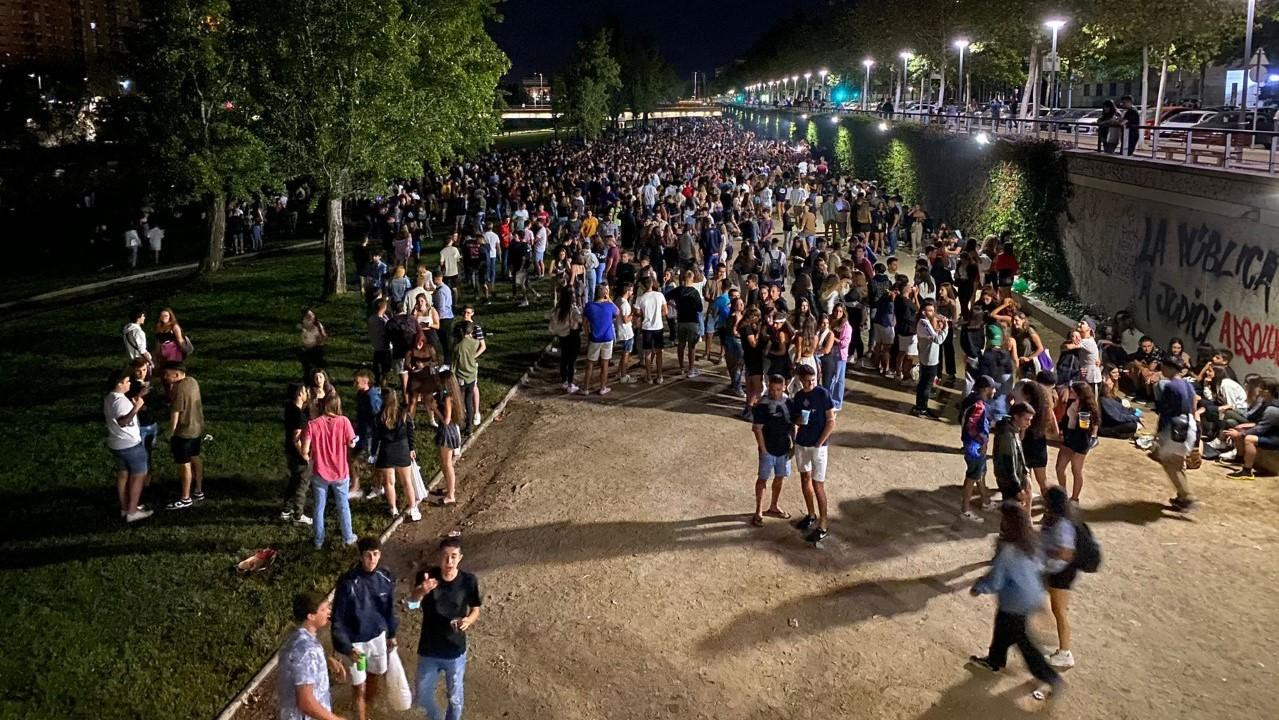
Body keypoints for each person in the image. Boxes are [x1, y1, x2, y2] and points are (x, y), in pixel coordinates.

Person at [968, 502, 1064, 702]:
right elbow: (1041, 566)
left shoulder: (1008, 551)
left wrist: (979, 587)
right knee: (1002, 627)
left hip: (1015, 602)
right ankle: (994, 660)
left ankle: (1051, 678)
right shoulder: (1033, 541)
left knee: (1025, 644)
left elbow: (996, 581)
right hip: (1032, 597)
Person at [408, 537, 482, 720]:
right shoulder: (427, 577)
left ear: (460, 558)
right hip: (429, 650)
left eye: (453, 557)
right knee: (422, 697)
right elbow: (411, 604)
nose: (449, 562)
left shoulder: (468, 581)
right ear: (439, 557)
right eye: (445, 556)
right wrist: (421, 591)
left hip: (454, 651)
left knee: (455, 698)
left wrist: (468, 621)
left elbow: (476, 609)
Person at [333, 537, 399, 720]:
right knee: (359, 683)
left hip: (377, 639)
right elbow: (338, 619)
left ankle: (365, 708)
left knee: (375, 674)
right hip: (356, 643)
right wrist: (346, 647)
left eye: (375, 554)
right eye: (368, 555)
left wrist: (392, 633)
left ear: (380, 554)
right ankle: (361, 716)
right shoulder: (348, 583)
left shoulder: (385, 577)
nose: (372, 559)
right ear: (361, 556)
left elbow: (389, 608)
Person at [301, 391, 358, 549]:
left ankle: (318, 541)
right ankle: (348, 537)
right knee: (343, 505)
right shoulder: (344, 421)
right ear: (337, 405)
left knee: (319, 507)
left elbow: (304, 451)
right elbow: (352, 443)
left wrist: (310, 458)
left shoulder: (312, 425)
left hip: (320, 473)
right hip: (340, 472)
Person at [277, 591, 346, 720]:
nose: (329, 611)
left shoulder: (296, 639)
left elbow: (299, 663)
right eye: (323, 609)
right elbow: (306, 702)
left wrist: (326, 661)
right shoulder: (307, 650)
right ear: (311, 616)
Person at [791, 364, 836, 544]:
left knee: (818, 485)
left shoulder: (823, 394)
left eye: (813, 380)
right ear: (801, 380)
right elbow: (794, 419)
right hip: (802, 444)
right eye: (807, 381)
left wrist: (819, 443)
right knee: (805, 479)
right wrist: (798, 421)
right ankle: (810, 514)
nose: (810, 384)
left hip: (818, 447)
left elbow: (831, 421)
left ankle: (823, 524)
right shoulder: (799, 397)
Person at [105, 369, 153, 523]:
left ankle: (125, 507)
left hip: (117, 444)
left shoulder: (110, 398)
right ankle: (132, 512)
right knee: (139, 475)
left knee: (123, 474)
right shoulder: (119, 401)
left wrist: (137, 399)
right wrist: (136, 408)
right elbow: (123, 421)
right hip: (130, 444)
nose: (130, 383)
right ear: (119, 383)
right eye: (127, 381)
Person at [1041, 486, 1079, 669]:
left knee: (1060, 611)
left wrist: (1046, 550)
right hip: (1054, 570)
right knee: (1057, 609)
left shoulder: (1063, 524)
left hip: (1061, 572)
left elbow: (1066, 553)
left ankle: (1065, 652)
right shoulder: (1055, 518)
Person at [751, 374, 795, 527]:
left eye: (778, 389)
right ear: (768, 387)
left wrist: (794, 446)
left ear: (784, 387)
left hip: (784, 448)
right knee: (763, 478)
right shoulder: (763, 405)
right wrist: (763, 450)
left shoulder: (789, 403)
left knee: (779, 477)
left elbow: (792, 426)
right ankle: (758, 511)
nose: (775, 392)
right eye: (772, 389)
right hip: (768, 449)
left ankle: (773, 506)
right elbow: (757, 429)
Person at [163, 363, 206, 510]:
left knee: (184, 464)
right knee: (195, 457)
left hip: (184, 432)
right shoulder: (192, 381)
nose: (165, 377)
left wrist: (172, 432)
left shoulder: (178, 388)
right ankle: (198, 490)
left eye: (167, 374)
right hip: (196, 428)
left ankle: (185, 498)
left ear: (176, 375)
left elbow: (176, 411)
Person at [376, 389, 420, 521]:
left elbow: (377, 435)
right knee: (407, 482)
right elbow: (410, 432)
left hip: (386, 450)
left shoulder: (380, 416)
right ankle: (413, 508)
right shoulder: (404, 413)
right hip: (402, 449)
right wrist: (411, 448)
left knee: (389, 483)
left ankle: (393, 509)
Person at [1224, 377, 1279, 481]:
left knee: (1249, 438)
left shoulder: (1273, 409)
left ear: (1267, 391)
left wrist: (1241, 434)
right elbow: (1256, 420)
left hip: (1275, 437)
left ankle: (1247, 471)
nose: (1259, 389)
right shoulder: (1266, 402)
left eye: (1261, 387)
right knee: (1242, 432)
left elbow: (1261, 429)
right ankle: (1240, 458)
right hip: (1269, 432)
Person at [959, 375, 996, 522]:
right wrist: (983, 442)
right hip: (975, 446)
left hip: (972, 444)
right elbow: (972, 426)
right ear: (986, 389)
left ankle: (985, 502)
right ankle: (965, 510)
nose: (994, 391)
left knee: (980, 473)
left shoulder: (970, 400)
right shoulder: (979, 406)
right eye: (993, 388)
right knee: (972, 476)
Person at [1056, 381, 1099, 504]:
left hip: (1081, 440)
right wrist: (1061, 428)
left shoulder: (1088, 407)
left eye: (1073, 391)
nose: (1070, 393)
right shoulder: (1071, 402)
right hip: (1069, 437)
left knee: (1076, 469)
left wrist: (1090, 431)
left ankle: (1075, 498)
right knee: (1059, 468)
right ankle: (1063, 494)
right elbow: (1066, 417)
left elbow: (1093, 423)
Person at [993, 401, 1036, 512]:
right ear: (1016, 417)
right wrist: (1017, 488)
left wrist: (1025, 474)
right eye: (1027, 419)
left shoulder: (1013, 429)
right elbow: (1008, 464)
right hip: (1010, 483)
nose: (1029, 423)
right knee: (1012, 513)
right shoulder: (1007, 435)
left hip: (1015, 479)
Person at [281, 384, 313, 526]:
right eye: (305, 391)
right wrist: (304, 455)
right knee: (302, 485)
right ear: (300, 394)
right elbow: (296, 439)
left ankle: (286, 510)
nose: (307, 393)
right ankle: (298, 515)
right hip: (298, 456)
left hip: (289, 453)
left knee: (293, 481)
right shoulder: (299, 416)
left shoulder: (289, 409)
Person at [432, 369, 465, 505]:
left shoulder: (447, 398)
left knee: (447, 465)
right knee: (446, 464)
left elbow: (446, 420)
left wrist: (435, 409)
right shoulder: (453, 395)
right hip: (450, 431)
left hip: (446, 432)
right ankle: (449, 488)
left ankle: (451, 495)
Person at [912, 298, 949, 419]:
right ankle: (921, 408)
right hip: (928, 359)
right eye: (930, 310)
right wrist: (946, 328)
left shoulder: (926, 322)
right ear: (923, 311)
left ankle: (921, 406)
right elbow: (938, 339)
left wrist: (939, 327)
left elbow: (934, 334)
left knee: (924, 383)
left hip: (929, 357)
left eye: (933, 310)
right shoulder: (923, 323)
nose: (933, 313)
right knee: (926, 385)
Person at [582, 285, 618, 395]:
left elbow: (584, 322)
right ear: (605, 294)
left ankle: (586, 388)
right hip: (607, 337)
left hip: (595, 338)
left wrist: (587, 335)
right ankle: (603, 387)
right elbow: (618, 312)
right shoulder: (609, 306)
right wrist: (610, 299)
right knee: (605, 363)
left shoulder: (589, 306)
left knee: (590, 363)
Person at [548, 286, 582, 393]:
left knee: (564, 358)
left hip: (562, 337)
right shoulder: (573, 309)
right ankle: (571, 384)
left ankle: (564, 381)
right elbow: (580, 319)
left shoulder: (557, 309)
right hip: (573, 336)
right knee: (572, 361)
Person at [635, 276, 669, 384]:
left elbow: (638, 312)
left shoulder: (640, 298)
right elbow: (666, 311)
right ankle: (659, 375)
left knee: (647, 353)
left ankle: (649, 376)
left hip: (647, 327)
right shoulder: (660, 295)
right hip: (658, 326)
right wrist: (658, 315)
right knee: (659, 352)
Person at [450, 320, 481, 429]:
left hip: (461, 376)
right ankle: (469, 425)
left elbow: (454, 363)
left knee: (460, 398)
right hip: (471, 375)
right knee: (469, 399)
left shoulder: (457, 347)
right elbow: (477, 342)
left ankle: (459, 420)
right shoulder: (475, 343)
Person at [300, 309, 328, 378]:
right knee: (308, 368)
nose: (310, 317)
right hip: (308, 349)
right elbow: (303, 339)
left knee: (318, 367)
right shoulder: (303, 326)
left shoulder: (318, 326)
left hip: (316, 349)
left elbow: (323, 337)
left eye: (311, 315)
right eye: (307, 315)